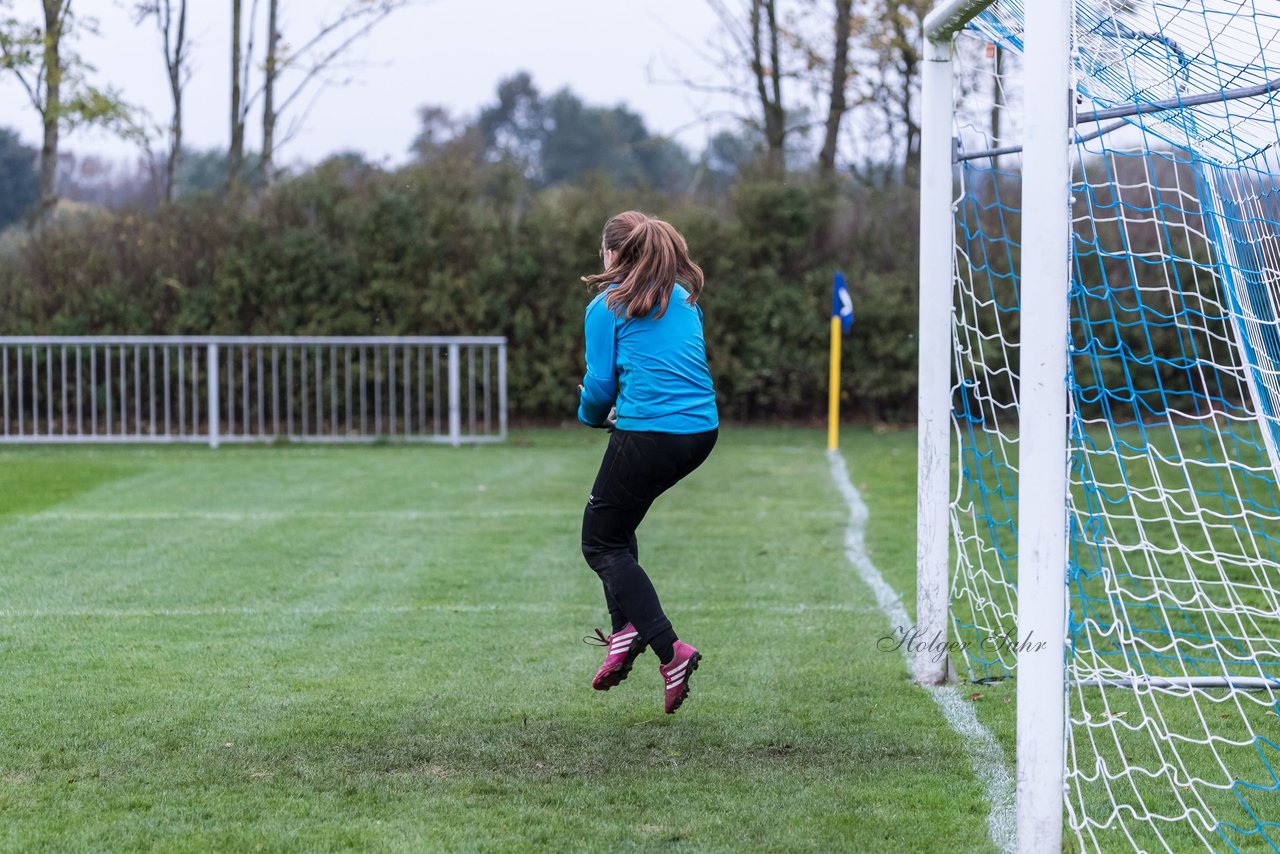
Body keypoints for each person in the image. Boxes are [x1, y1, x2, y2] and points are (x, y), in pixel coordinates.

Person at [577, 210, 719, 714]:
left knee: (599, 539)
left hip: (651, 433)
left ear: (614, 254)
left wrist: (589, 415)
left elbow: (599, 387)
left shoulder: (607, 305)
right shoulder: (684, 298)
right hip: (701, 433)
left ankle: (668, 649)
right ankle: (624, 632)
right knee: (619, 524)